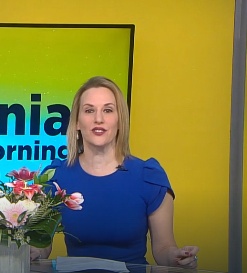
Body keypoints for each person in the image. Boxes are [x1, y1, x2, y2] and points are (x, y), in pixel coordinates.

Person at [30, 76, 199, 269]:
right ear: (76, 122)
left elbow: (163, 250)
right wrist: (31, 251)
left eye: (108, 110)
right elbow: (41, 246)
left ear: (120, 120)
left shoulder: (149, 177)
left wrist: (177, 256)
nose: (98, 119)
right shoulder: (56, 177)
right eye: (89, 110)